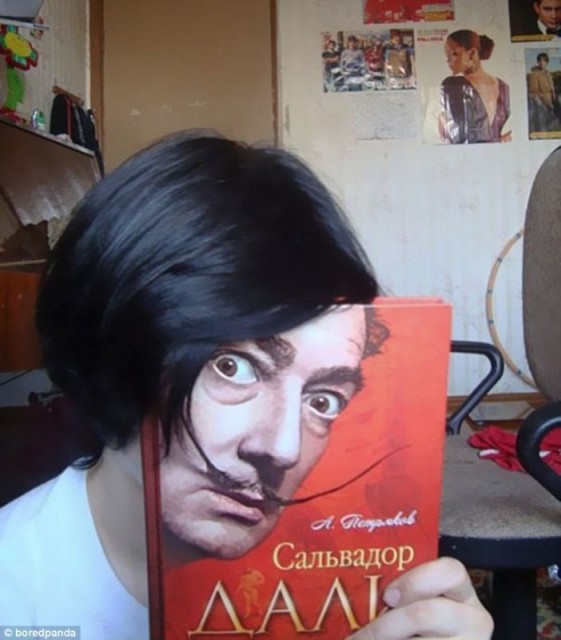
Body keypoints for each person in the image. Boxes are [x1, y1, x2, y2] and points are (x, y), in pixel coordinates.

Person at [0, 131, 493, 640]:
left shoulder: (352, 597)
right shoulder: (14, 594)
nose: (282, 449)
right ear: (106, 347)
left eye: (323, 400)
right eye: (234, 366)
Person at [439, 30, 511, 144]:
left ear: (472, 53)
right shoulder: (504, 87)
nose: (447, 60)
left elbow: (444, 135)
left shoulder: (451, 86)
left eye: (453, 54)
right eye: (447, 55)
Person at [528, 52, 560, 133]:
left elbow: (552, 88)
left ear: (547, 62)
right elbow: (533, 93)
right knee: (543, 126)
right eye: (540, 60)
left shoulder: (548, 74)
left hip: (551, 102)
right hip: (541, 105)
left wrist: (554, 100)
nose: (542, 62)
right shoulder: (534, 74)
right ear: (538, 62)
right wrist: (542, 104)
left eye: (544, 61)